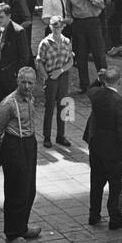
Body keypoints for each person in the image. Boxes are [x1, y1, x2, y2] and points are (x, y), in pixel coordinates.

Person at [0, 67, 42, 243]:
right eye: (24, 82)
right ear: (17, 82)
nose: (27, 86)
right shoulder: (8, 104)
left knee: (29, 189)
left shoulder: (30, 98)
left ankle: (22, 226)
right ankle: (12, 234)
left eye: (30, 82)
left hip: (29, 143)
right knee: (16, 192)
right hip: (14, 145)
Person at [84, 66, 122, 227]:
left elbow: (90, 89)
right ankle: (115, 218)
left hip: (96, 145)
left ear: (104, 80)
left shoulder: (96, 95)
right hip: (113, 151)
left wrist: (98, 79)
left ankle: (94, 214)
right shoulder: (121, 103)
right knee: (115, 186)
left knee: (96, 182)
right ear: (119, 81)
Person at [34, 16, 75, 149]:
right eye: (54, 26)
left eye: (59, 26)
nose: (56, 29)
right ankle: (47, 137)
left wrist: (61, 71)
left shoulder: (67, 41)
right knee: (50, 107)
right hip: (51, 77)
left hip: (62, 76)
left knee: (64, 106)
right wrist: (45, 76)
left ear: (63, 27)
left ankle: (61, 136)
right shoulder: (45, 43)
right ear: (51, 27)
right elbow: (39, 61)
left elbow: (70, 61)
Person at [65, 0, 108, 93]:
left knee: (98, 54)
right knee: (80, 55)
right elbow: (68, 8)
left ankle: (104, 81)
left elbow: (102, 5)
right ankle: (84, 85)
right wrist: (71, 20)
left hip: (93, 21)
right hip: (78, 24)